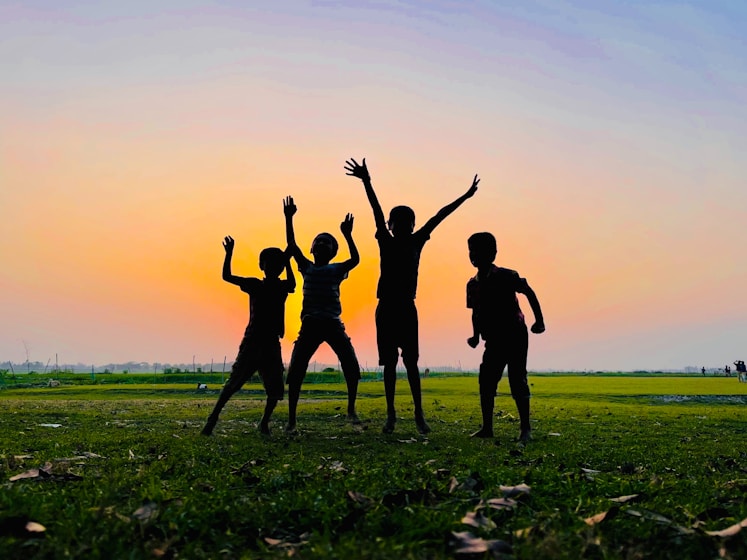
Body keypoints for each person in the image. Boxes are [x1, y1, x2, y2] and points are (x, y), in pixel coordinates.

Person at [345, 157, 479, 434]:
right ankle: (391, 415)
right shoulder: (385, 239)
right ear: (391, 224)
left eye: (409, 221)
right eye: (399, 221)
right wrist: (367, 181)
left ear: (413, 225)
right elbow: (375, 208)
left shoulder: (417, 240)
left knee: (411, 362)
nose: (405, 224)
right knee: (391, 363)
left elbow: (440, 215)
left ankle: (419, 414)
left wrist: (465, 196)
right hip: (387, 307)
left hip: (407, 307)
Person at [201, 236, 295, 436]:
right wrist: (229, 254)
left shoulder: (282, 287)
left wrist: (287, 261)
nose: (273, 266)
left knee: (276, 388)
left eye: (278, 263)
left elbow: (293, 282)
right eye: (269, 262)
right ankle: (213, 418)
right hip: (253, 341)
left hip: (271, 342)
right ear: (261, 265)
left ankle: (264, 422)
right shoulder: (254, 284)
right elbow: (227, 276)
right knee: (234, 383)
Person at [283, 195, 362, 432]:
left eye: (327, 243)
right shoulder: (306, 266)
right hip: (310, 325)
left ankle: (351, 409)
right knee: (296, 369)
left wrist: (348, 235)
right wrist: (289, 218)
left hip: (333, 323)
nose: (321, 244)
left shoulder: (337, 269)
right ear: (312, 248)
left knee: (351, 365)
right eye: (318, 241)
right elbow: (292, 245)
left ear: (334, 251)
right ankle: (291, 419)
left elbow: (355, 259)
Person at [465, 232, 545, 443]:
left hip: (515, 333)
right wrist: (475, 336)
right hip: (492, 339)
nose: (474, 255)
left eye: (479, 250)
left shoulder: (507, 276)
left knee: (517, 378)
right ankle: (487, 427)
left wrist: (539, 320)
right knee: (486, 380)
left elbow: (529, 292)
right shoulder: (472, 284)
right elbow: (475, 312)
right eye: (471, 250)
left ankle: (525, 428)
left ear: (492, 253)